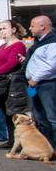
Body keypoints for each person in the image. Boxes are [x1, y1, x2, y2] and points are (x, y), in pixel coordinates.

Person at [0, 19, 27, 146]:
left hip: (12, 82)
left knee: (15, 112)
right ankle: (11, 140)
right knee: (6, 111)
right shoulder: (2, 45)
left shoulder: (18, 45)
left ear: (13, 30)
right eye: (0, 29)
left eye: (5, 28)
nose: (2, 31)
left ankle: (20, 142)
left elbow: (11, 63)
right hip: (0, 82)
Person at [26, 14, 56, 145]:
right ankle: (46, 147)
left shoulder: (52, 41)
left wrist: (35, 78)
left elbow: (52, 65)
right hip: (34, 85)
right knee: (39, 117)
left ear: (43, 26)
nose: (30, 28)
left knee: (52, 117)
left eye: (33, 25)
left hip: (47, 84)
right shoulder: (38, 41)